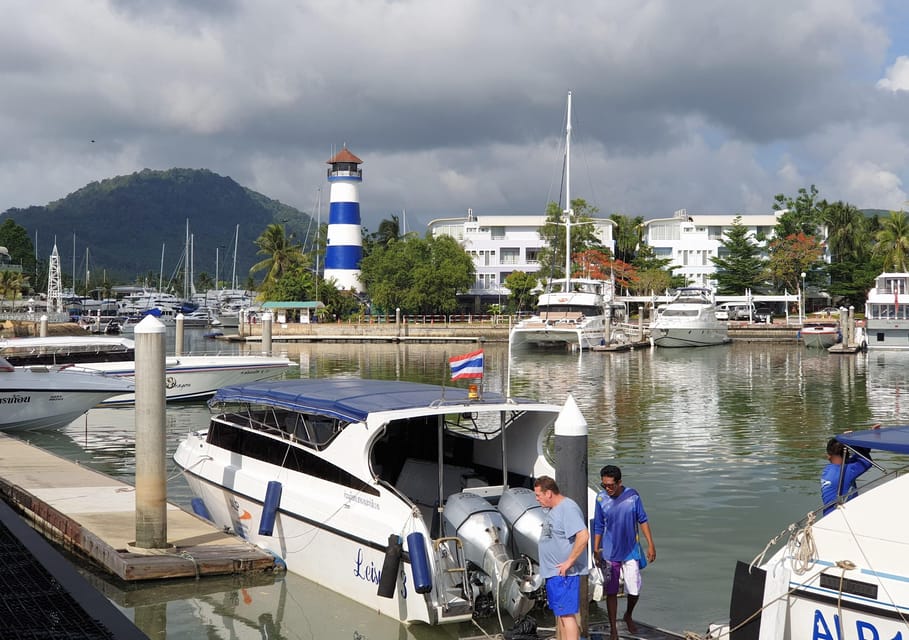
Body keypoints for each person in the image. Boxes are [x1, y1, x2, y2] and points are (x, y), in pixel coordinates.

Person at [592, 465, 656, 640]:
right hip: (610, 552)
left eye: (611, 485)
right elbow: (598, 525)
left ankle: (628, 614)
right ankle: (613, 628)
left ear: (619, 482)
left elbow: (642, 519)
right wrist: (596, 549)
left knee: (634, 590)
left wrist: (651, 544)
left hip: (630, 550)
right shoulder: (600, 499)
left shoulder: (632, 496)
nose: (608, 488)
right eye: (604, 485)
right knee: (611, 591)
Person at [533, 476, 589, 640]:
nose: (537, 500)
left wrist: (569, 562)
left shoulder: (568, 508)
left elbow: (583, 536)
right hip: (553, 573)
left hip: (564, 573)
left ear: (548, 493)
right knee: (561, 614)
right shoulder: (553, 510)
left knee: (567, 615)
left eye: (539, 495)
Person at [820, 432, 875, 515]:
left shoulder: (829, 469)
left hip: (828, 516)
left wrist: (871, 436)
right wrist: (852, 441)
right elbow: (866, 460)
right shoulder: (847, 471)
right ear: (847, 453)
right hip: (841, 516)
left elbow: (861, 456)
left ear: (828, 456)